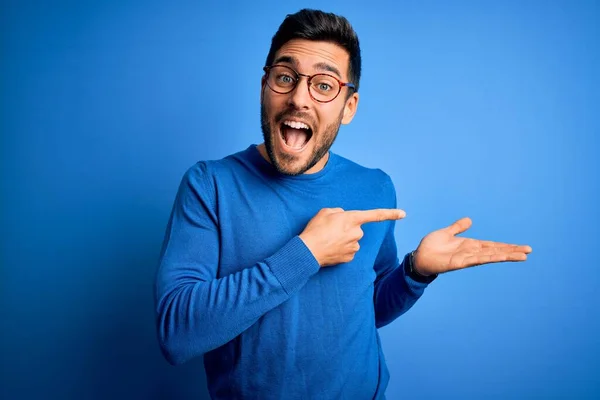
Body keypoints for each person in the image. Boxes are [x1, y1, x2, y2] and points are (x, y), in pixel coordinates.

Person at [154, 8, 532, 399]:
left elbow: (364, 310)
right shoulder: (210, 185)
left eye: (323, 85)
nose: (299, 98)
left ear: (348, 107)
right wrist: (306, 253)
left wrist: (414, 273)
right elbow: (176, 333)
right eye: (286, 78)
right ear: (265, 86)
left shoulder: (375, 188)